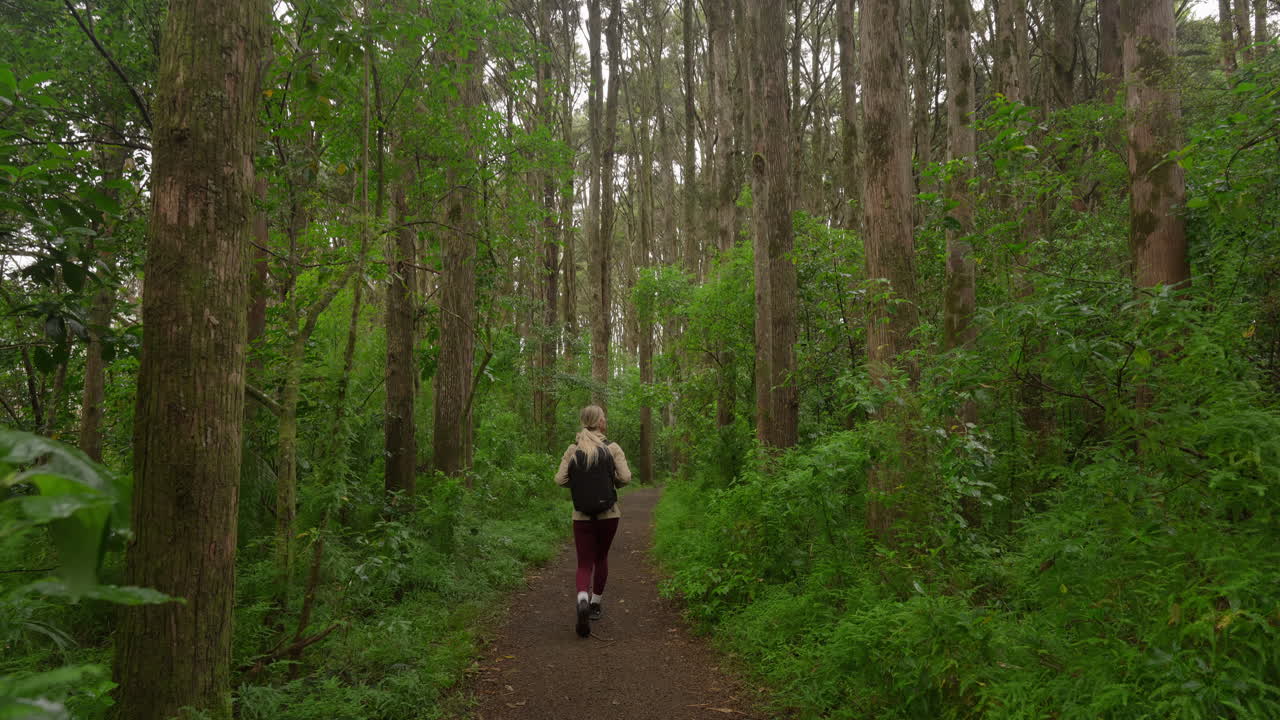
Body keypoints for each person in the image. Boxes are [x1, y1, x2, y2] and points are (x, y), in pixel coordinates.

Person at [554, 404, 632, 638]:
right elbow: (625, 478)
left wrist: (579, 484)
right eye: (603, 418)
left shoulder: (573, 449)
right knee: (601, 558)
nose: (605, 421)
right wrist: (611, 482)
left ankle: (582, 598)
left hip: (581, 516)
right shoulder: (612, 448)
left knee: (584, 563)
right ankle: (595, 604)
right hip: (609, 514)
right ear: (599, 422)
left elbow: (560, 479)